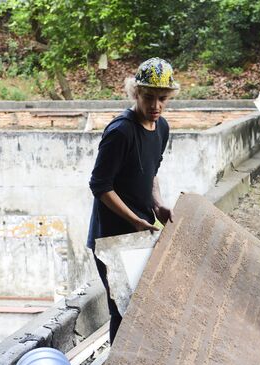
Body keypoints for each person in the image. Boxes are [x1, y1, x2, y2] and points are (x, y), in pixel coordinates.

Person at [87, 57, 178, 343]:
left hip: (141, 232)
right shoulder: (120, 131)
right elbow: (100, 186)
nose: (156, 106)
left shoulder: (161, 128)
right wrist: (134, 219)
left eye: (162, 99)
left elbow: (151, 172)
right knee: (122, 312)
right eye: (149, 98)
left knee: (141, 309)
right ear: (135, 93)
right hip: (112, 237)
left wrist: (157, 204)